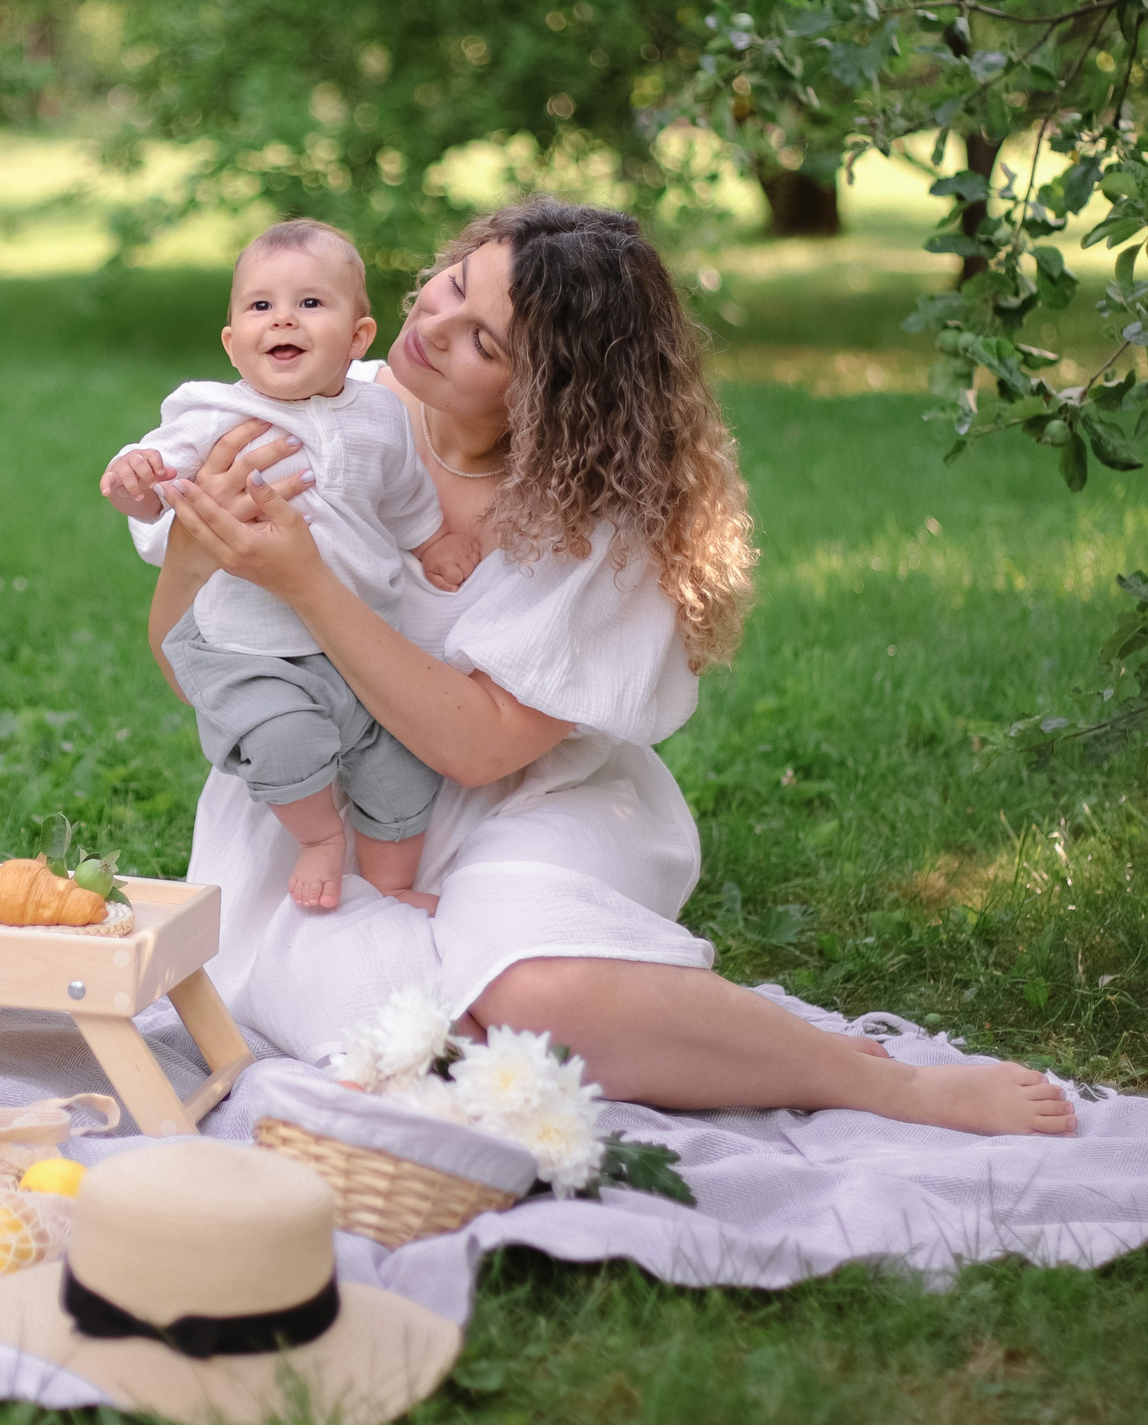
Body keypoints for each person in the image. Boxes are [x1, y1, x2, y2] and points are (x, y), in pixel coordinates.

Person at [148, 199, 1076, 1137]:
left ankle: (878, 1084)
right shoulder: (316, 415)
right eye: (454, 284)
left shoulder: (598, 514)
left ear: (548, 393)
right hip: (320, 808)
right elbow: (197, 671)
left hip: (525, 801)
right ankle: (603, 1023)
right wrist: (195, 546)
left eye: (485, 343)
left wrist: (309, 584)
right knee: (406, 1030)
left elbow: (483, 749)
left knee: (537, 991)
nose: (429, 326)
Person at [102, 220, 481, 911]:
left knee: (402, 768)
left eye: (310, 304)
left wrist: (432, 543)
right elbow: (165, 476)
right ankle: (318, 839)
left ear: (359, 337)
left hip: (360, 644)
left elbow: (403, 496)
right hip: (254, 648)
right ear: (232, 342)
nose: (283, 317)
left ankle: (394, 884)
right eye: (259, 306)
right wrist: (136, 480)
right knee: (284, 740)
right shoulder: (215, 411)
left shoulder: (380, 416)